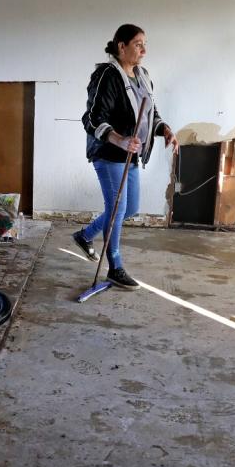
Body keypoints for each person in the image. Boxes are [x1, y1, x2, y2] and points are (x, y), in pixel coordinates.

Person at [75, 24, 178, 290]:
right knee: (118, 209)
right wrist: (118, 138)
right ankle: (115, 267)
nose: (144, 49)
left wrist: (163, 129)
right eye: (138, 44)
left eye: (145, 44)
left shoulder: (143, 76)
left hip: (131, 155)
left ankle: (85, 236)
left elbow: (149, 114)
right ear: (121, 46)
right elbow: (92, 118)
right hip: (108, 154)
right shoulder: (106, 75)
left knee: (129, 208)